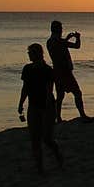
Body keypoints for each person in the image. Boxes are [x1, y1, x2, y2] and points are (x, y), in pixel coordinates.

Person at [18, 43, 63, 173]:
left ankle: (57, 155)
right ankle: (40, 168)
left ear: (38, 54)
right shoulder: (27, 69)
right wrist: (21, 103)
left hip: (46, 107)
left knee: (47, 138)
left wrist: (48, 105)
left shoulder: (47, 70)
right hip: (33, 106)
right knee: (34, 138)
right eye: (29, 52)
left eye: (31, 52)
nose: (29, 55)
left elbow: (49, 89)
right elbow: (25, 88)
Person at [46, 20, 92, 123]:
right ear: (58, 29)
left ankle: (58, 117)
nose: (62, 30)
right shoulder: (60, 42)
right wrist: (78, 37)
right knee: (77, 93)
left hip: (56, 71)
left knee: (60, 96)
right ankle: (82, 115)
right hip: (65, 72)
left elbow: (61, 47)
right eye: (61, 28)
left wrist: (67, 38)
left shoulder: (49, 42)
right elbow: (77, 46)